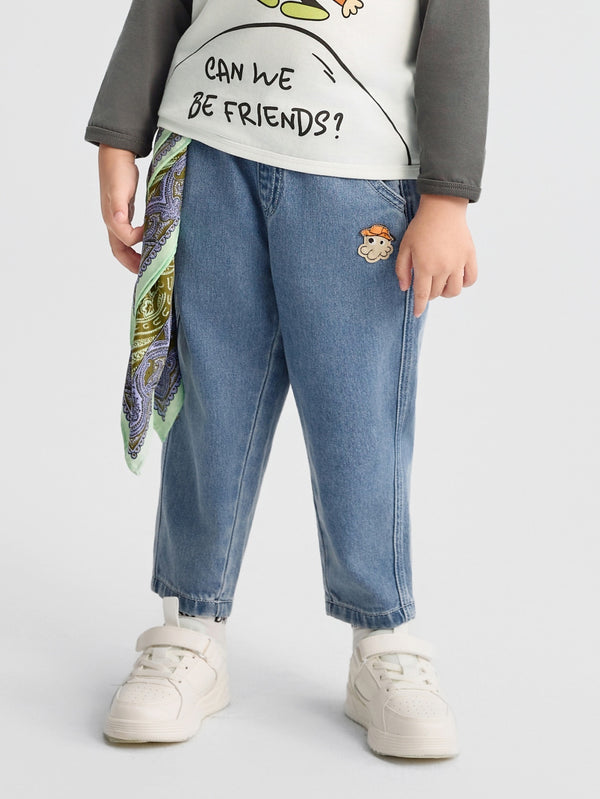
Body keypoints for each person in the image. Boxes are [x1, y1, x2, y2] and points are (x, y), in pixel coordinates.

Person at [84, 0, 489, 758]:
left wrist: (448, 196)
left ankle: (382, 636)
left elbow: (458, 30)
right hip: (208, 150)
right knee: (209, 404)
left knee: (359, 418)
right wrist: (120, 132)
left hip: (361, 172)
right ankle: (191, 627)